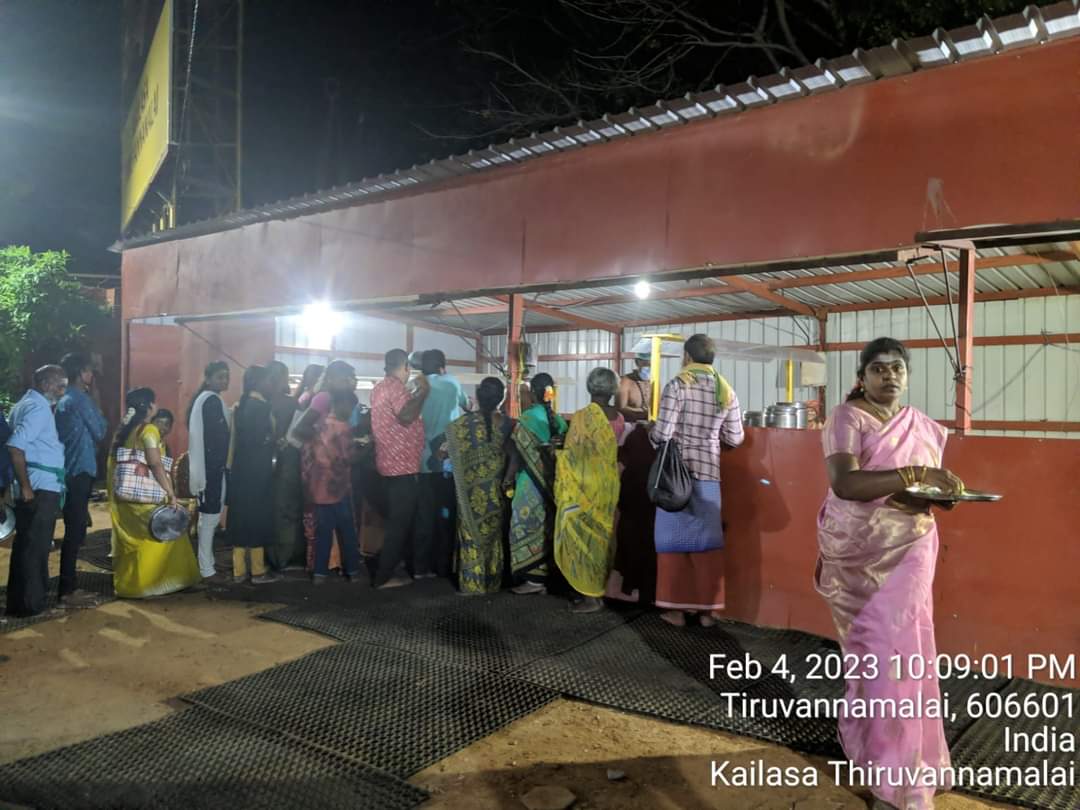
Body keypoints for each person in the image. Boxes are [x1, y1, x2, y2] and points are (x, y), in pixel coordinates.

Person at [816, 338, 962, 810]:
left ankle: (910, 772)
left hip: (912, 549)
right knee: (877, 660)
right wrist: (915, 474)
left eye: (897, 368)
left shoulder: (922, 426)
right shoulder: (847, 418)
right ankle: (889, 775)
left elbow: (924, 490)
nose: (889, 376)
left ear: (908, 375)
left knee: (911, 653)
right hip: (860, 554)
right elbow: (845, 483)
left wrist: (942, 493)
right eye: (878, 369)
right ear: (862, 377)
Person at [649, 333, 743, 627]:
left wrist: (652, 432)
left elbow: (662, 435)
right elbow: (736, 438)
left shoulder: (678, 385)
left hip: (676, 478)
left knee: (671, 544)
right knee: (707, 544)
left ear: (687, 357)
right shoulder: (726, 390)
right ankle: (707, 613)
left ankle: (676, 612)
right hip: (709, 477)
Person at [109, 388, 200, 598]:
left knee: (137, 542)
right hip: (147, 497)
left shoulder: (126, 431)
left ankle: (131, 586)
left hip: (128, 498)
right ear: (149, 406)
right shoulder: (149, 430)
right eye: (154, 402)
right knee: (169, 531)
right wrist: (170, 493)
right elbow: (156, 464)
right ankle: (165, 582)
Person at [554, 368, 622, 613]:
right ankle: (599, 591)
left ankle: (590, 597)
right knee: (603, 538)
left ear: (589, 387)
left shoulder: (582, 416)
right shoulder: (618, 417)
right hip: (609, 485)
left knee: (583, 539)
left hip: (584, 488)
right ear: (613, 389)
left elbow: (573, 455)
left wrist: (557, 454)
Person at [4, 366, 68, 617]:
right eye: (60, 386)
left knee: (27, 545)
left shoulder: (23, 404)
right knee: (35, 548)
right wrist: (27, 487)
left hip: (35, 484)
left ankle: (22, 602)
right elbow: (15, 446)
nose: (62, 392)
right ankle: (31, 605)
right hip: (39, 487)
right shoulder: (38, 408)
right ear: (46, 384)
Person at [369, 349, 429, 589]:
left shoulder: (379, 387)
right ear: (406, 367)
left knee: (398, 521)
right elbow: (406, 415)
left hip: (387, 464)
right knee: (399, 524)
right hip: (401, 468)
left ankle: (393, 565)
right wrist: (423, 392)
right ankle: (383, 577)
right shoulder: (395, 387)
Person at [445, 377, 510, 595]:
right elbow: (513, 454)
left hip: (469, 492)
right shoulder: (508, 424)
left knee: (470, 533)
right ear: (501, 398)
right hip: (496, 489)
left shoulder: (461, 425)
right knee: (493, 535)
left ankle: (472, 584)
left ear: (478, 396)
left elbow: (443, 452)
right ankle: (492, 582)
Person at [293, 360, 358, 572]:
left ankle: (330, 566)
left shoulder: (343, 400)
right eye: (345, 378)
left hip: (334, 470)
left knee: (336, 521)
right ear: (330, 379)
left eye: (350, 378)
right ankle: (327, 566)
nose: (349, 382)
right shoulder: (324, 398)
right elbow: (300, 429)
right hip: (324, 470)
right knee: (331, 521)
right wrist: (325, 442)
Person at [505, 373, 567, 595]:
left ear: (532, 393)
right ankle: (546, 576)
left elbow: (515, 454)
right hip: (552, 485)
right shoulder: (559, 420)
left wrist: (508, 478)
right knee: (547, 527)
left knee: (525, 526)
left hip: (529, 484)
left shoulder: (527, 419)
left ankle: (533, 580)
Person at [54, 352, 108, 608]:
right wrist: (95, 399)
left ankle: (67, 587)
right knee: (75, 532)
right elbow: (101, 430)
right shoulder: (79, 398)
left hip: (69, 469)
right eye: (88, 370)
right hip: (80, 470)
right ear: (79, 373)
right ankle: (67, 591)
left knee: (74, 529)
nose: (91, 375)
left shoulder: (65, 399)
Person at [416, 349, 469, 579]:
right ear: (442, 366)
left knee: (423, 515)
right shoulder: (452, 383)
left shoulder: (416, 385)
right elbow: (468, 405)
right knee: (446, 515)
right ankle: (443, 566)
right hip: (448, 462)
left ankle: (420, 567)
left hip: (421, 461)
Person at [227, 366, 280, 584]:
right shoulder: (261, 408)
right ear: (258, 382)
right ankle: (258, 571)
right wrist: (274, 441)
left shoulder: (240, 406)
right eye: (268, 380)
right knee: (258, 518)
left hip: (240, 470)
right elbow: (260, 440)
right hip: (258, 472)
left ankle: (239, 570)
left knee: (240, 518)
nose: (271, 385)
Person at [304, 390, 363, 583]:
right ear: (342, 405)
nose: (351, 412)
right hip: (338, 488)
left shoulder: (318, 425)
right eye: (351, 407)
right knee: (347, 532)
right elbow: (348, 458)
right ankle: (352, 571)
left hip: (319, 488)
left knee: (323, 533)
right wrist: (368, 448)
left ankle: (319, 574)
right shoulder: (342, 428)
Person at [187, 361, 231, 579]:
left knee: (208, 517)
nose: (224, 381)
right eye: (220, 377)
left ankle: (208, 561)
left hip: (209, 467)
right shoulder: (211, 400)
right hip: (212, 468)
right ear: (208, 378)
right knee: (210, 516)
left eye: (226, 377)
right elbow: (218, 439)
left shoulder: (205, 399)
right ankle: (205, 567)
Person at [266, 360, 303, 572]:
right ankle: (285, 556)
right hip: (289, 462)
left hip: (266, 463)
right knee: (287, 510)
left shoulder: (262, 402)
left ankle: (271, 555)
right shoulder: (291, 404)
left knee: (272, 509)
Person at [616, 341, 653, 423]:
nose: (648, 367)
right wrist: (641, 411)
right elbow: (620, 408)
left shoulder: (654, 382)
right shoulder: (625, 382)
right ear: (637, 362)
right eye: (645, 364)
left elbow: (659, 406)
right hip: (630, 427)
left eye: (650, 365)